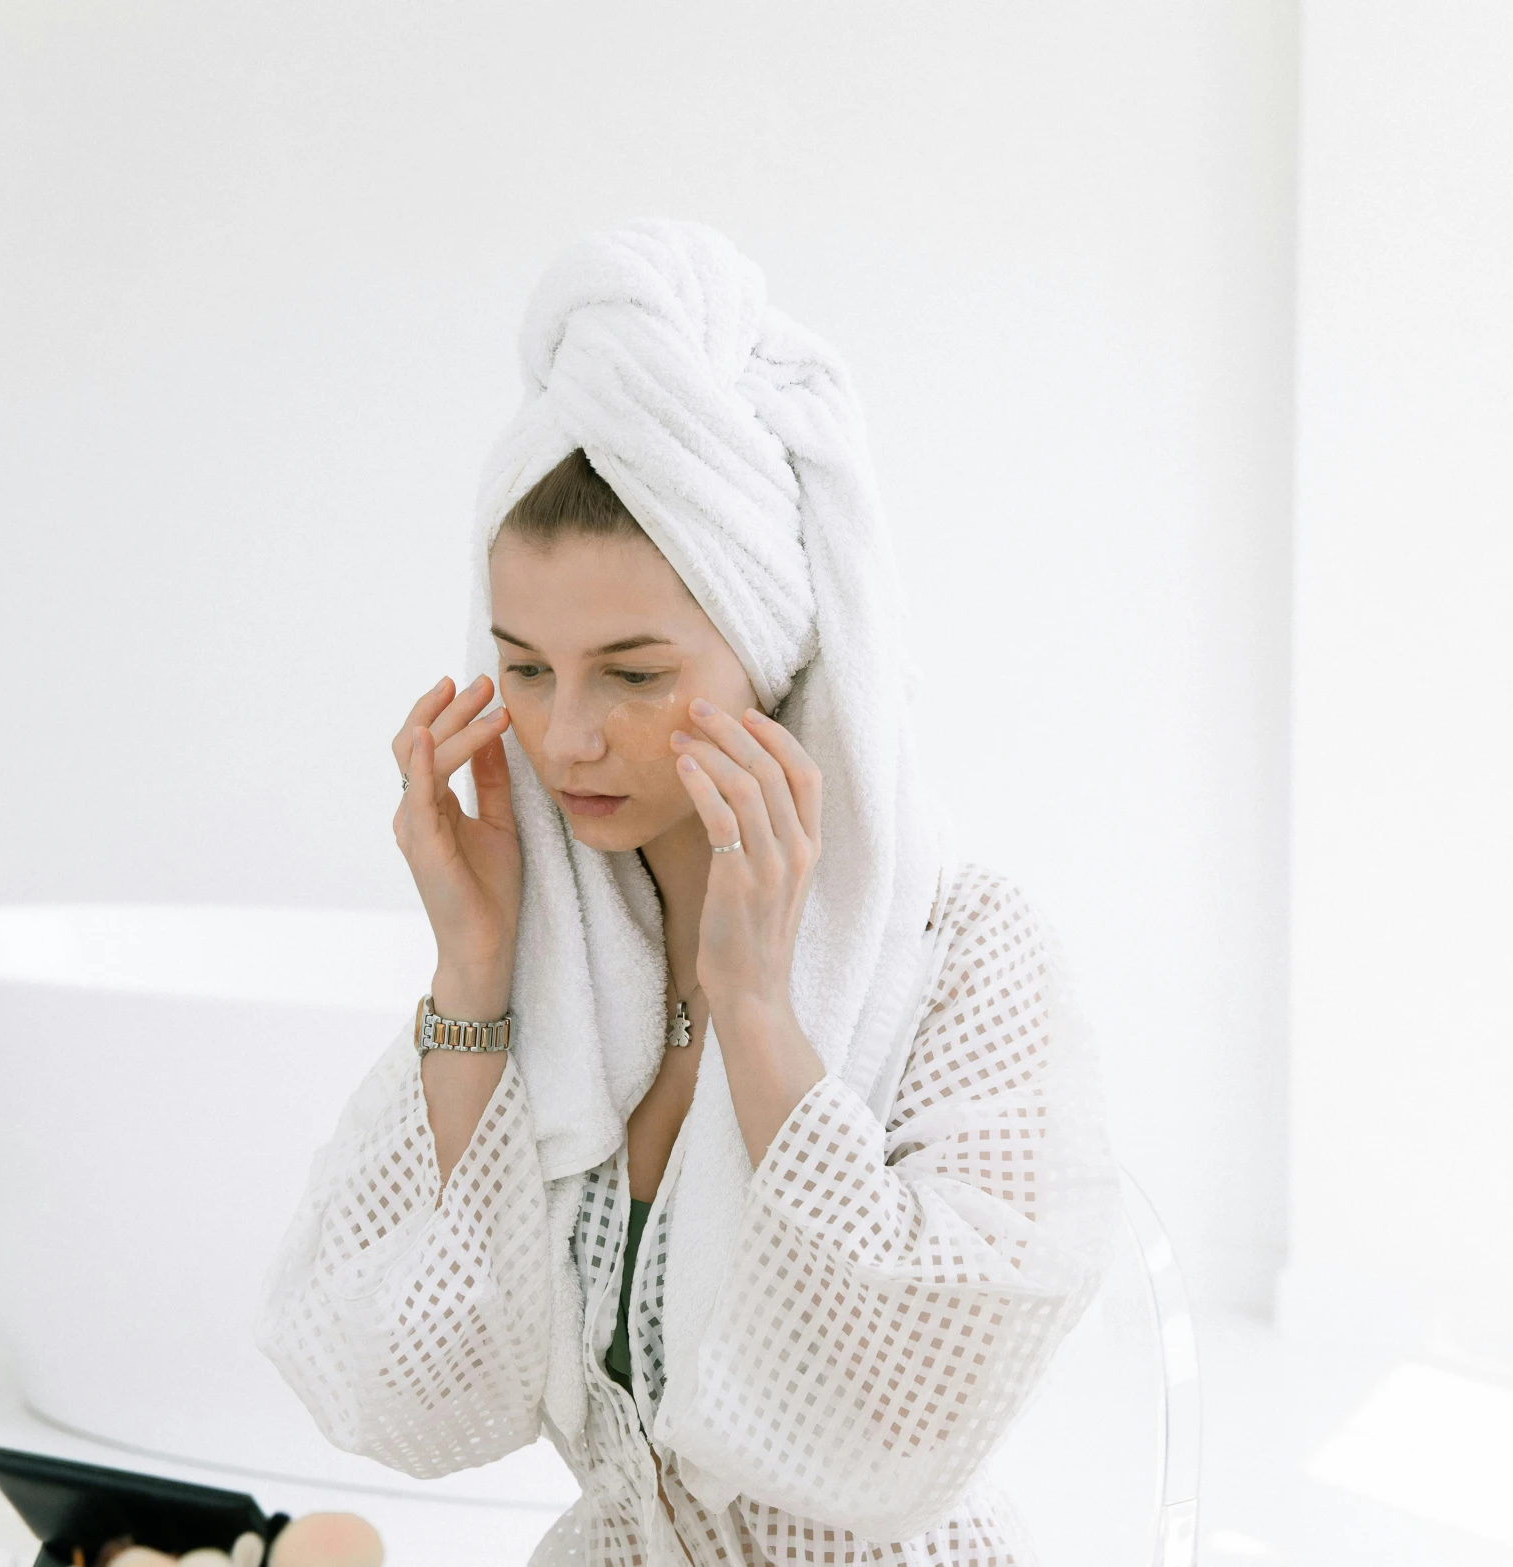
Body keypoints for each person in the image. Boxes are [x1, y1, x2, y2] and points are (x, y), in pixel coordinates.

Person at [257, 220, 1116, 1567]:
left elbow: (917, 1399)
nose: (566, 738)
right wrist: (472, 974)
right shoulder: (556, 951)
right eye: (526, 670)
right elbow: (405, 1376)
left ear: (766, 654)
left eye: (636, 673)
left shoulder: (964, 948)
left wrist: (758, 1012)